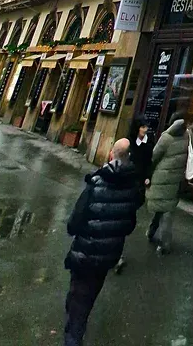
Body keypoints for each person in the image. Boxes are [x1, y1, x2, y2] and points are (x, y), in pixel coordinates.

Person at [63, 138, 142, 346]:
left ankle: (73, 336)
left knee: (78, 298)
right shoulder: (132, 188)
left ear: (111, 154)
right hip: (108, 256)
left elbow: (75, 221)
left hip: (85, 252)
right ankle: (74, 323)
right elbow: (129, 225)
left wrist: (77, 230)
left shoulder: (96, 182)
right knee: (89, 295)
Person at [113, 119, 156, 274]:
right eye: (143, 126)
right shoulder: (128, 143)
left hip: (138, 183)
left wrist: (148, 176)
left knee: (126, 216)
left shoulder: (148, 143)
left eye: (146, 126)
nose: (145, 129)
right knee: (120, 219)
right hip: (126, 181)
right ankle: (116, 255)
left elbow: (150, 162)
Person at [146, 115, 190, 255]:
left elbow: (154, 156)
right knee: (167, 209)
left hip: (161, 178)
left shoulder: (166, 138)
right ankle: (159, 238)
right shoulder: (187, 137)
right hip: (176, 179)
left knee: (161, 207)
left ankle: (159, 238)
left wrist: (147, 174)